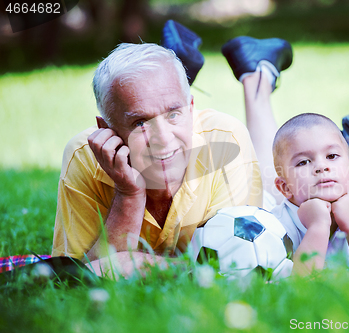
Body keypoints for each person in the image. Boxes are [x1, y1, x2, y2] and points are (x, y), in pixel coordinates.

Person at [51, 37, 263, 272]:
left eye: (173, 114)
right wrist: (128, 194)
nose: (163, 138)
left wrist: (141, 264)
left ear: (191, 109)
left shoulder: (225, 138)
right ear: (106, 130)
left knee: (280, 170)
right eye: (140, 122)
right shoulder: (83, 157)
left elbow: (235, 266)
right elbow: (80, 278)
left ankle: (256, 75)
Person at [220, 36, 349, 275]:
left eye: (332, 157)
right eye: (304, 162)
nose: (321, 167)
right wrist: (318, 226)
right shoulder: (275, 225)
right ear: (284, 188)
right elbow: (298, 288)